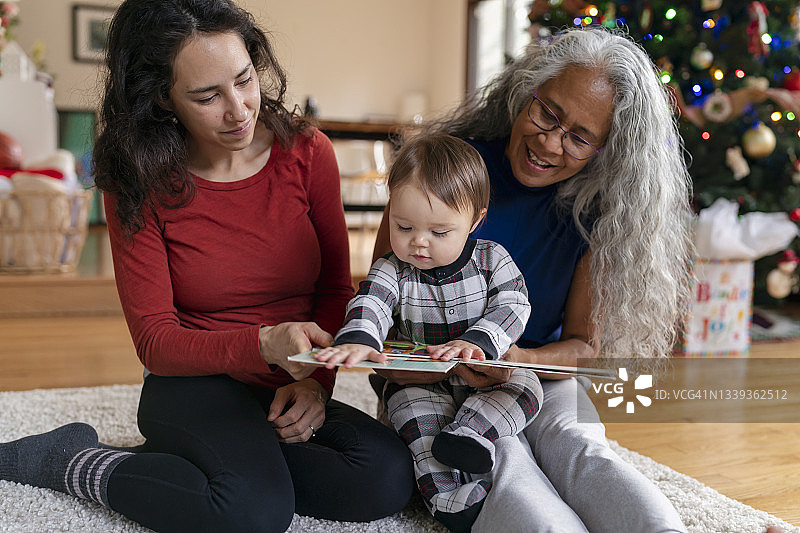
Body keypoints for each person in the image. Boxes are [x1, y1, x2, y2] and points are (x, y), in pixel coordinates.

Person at [0, 1, 414, 532]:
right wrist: (263, 343)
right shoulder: (138, 177)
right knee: (251, 513)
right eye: (207, 96)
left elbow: (335, 289)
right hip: (191, 379)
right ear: (162, 99)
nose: (239, 109)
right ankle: (71, 459)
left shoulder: (308, 153)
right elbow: (155, 341)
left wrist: (315, 384)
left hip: (289, 381)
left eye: (244, 80)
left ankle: (222, 464)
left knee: (384, 479)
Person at [370, 27, 694, 532]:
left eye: (579, 138)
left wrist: (516, 361)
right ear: (526, 94)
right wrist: (439, 366)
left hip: (535, 372)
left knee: (580, 447)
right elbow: (381, 308)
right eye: (548, 113)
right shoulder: (443, 170)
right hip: (430, 380)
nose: (549, 142)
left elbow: (584, 347)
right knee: (507, 468)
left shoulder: (598, 215)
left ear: (605, 150)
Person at [313, 133, 542, 532]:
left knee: (528, 388)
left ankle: (471, 434)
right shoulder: (393, 269)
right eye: (404, 226)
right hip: (419, 383)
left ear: (474, 221)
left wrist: (479, 341)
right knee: (417, 425)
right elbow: (372, 302)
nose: (419, 242)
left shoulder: (492, 259)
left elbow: (514, 304)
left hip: (481, 381)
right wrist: (361, 336)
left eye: (439, 233)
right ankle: (452, 502)